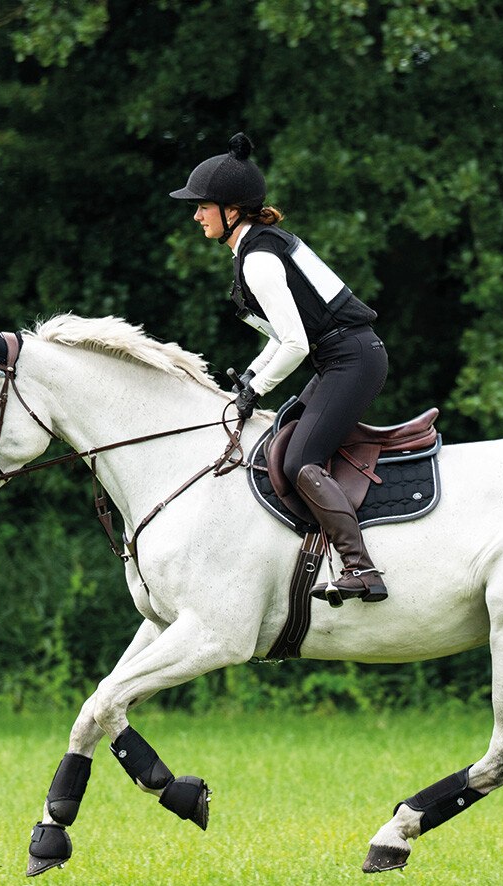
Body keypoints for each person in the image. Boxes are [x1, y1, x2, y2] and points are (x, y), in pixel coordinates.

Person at [170, 132, 389, 604]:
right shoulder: (256, 248)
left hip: (350, 359)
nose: (195, 215)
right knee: (284, 435)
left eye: (203, 206)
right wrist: (250, 380)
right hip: (340, 357)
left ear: (232, 209)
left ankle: (361, 569)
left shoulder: (260, 259)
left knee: (299, 460)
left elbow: (295, 343)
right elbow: (282, 338)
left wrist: (257, 389)